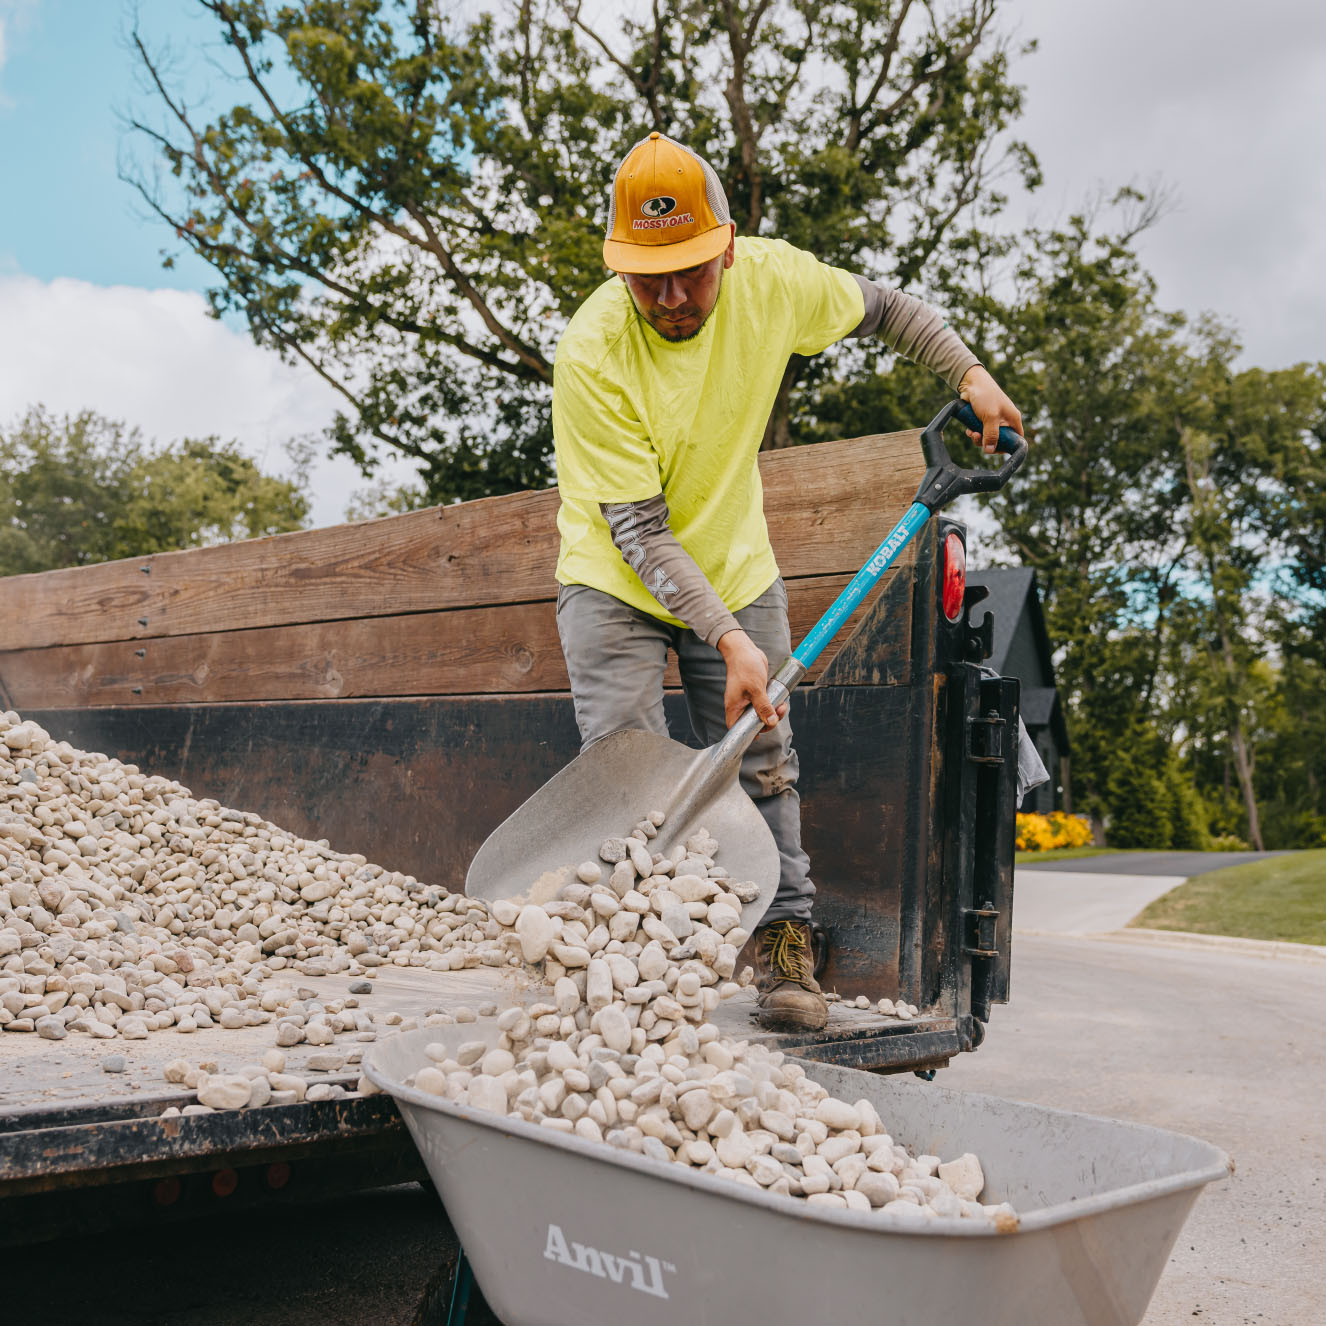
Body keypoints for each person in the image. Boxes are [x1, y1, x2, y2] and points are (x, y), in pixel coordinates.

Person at [551, 132, 1022, 1032]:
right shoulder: (593, 353)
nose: (671, 297)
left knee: (764, 756)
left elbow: (888, 309)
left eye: (690, 270)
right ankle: (634, 956)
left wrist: (969, 371)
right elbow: (640, 532)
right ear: (619, 269)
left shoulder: (774, 282)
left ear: (726, 245)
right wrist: (727, 640)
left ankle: (784, 942)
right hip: (614, 574)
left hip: (732, 560)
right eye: (647, 278)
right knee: (627, 771)